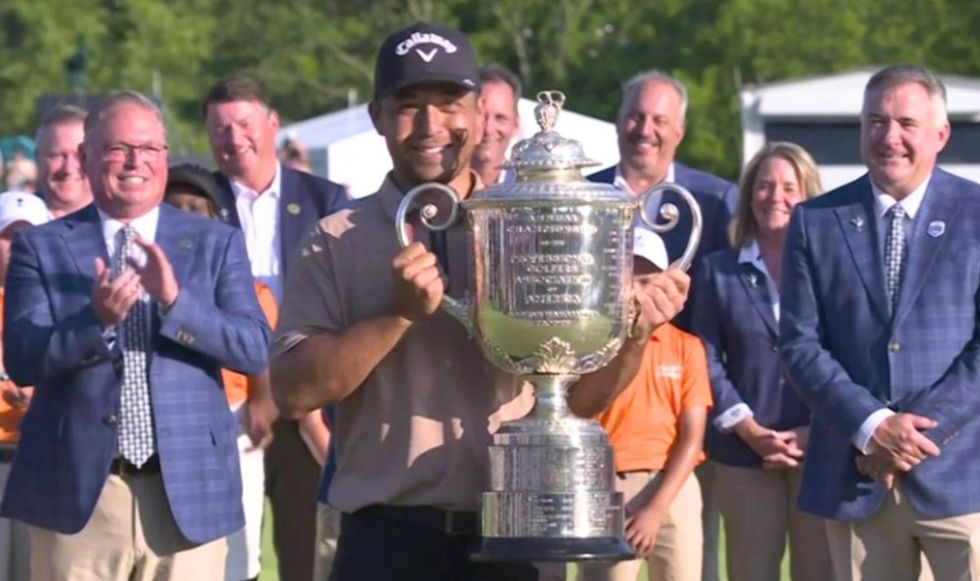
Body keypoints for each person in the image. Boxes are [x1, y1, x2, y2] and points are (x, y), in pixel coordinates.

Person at [268, 21, 691, 581]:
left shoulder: (531, 223)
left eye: (448, 103)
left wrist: (634, 335)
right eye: (407, 104)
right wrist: (395, 314)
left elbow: (579, 398)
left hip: (514, 537)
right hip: (386, 540)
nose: (430, 125)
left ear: (477, 111)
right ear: (376, 116)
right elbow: (295, 391)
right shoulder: (337, 237)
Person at [0, 90, 271, 580]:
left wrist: (175, 303)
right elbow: (22, 356)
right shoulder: (39, 247)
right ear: (86, 157)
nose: (134, 162)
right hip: (80, 497)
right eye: (117, 148)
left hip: (185, 495)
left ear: (165, 156)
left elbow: (254, 347)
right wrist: (94, 321)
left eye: (149, 149)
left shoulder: (215, 242)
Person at [779, 64, 980, 581]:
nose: (890, 137)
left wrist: (911, 438)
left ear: (940, 134)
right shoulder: (815, 220)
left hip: (960, 477)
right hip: (855, 475)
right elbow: (800, 345)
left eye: (906, 124)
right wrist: (872, 429)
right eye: (875, 121)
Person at [589, 69, 733, 581]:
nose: (645, 129)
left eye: (659, 120)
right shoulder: (582, 198)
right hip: (601, 421)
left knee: (694, 561)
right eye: (635, 116)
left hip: (688, 417)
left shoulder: (718, 203)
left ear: (679, 131)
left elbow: (730, 313)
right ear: (618, 122)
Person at [204, 75, 347, 581]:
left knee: (304, 555)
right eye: (220, 128)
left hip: (307, 404)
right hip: (225, 406)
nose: (233, 137)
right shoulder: (197, 201)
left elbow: (341, 302)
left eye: (244, 123)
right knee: (225, 559)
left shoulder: (326, 199)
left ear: (272, 124)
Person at [693, 142, 832, 581]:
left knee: (819, 572)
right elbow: (706, 356)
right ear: (749, 194)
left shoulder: (831, 269)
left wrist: (817, 429)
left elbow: (849, 354)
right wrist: (748, 428)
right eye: (765, 185)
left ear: (809, 195)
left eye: (790, 187)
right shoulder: (719, 269)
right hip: (742, 450)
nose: (776, 196)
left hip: (819, 450)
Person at [164, 163, 279, 581]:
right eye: (175, 207)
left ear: (217, 218)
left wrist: (263, 400)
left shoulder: (241, 283)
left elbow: (260, 348)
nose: (187, 217)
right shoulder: (147, 281)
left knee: (238, 549)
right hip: (171, 429)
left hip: (233, 423)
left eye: (198, 207)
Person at [580, 228, 712, 581]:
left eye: (650, 280)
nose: (640, 291)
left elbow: (692, 438)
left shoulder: (687, 346)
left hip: (673, 486)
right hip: (607, 485)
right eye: (631, 279)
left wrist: (655, 508)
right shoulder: (590, 343)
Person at [0, 191, 49, 581]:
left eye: (28, 235)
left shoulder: (65, 302)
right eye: (8, 236)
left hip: (44, 463)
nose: (18, 247)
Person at [34, 105, 92, 218]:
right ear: (37, 158)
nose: (68, 169)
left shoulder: (122, 223)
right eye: (56, 155)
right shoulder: (13, 224)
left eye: (80, 155)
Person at [470, 65, 521, 185]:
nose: (488, 129)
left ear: (515, 125)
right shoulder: (438, 188)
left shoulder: (525, 190)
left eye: (500, 118)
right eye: (481, 115)